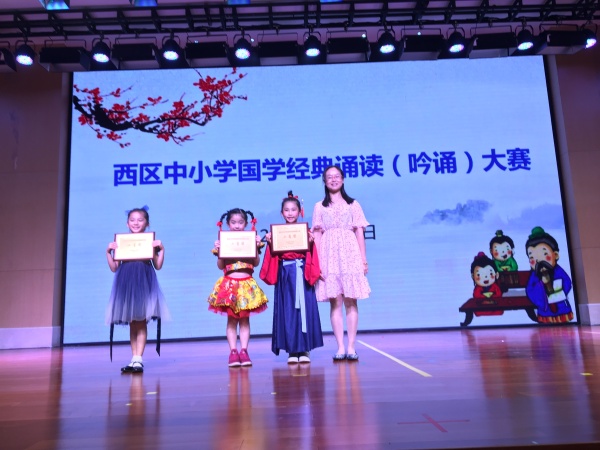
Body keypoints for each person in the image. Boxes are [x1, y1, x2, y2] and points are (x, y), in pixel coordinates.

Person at [311, 166, 371, 361]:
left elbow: (359, 232)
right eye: (329, 177)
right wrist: (317, 263)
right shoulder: (319, 206)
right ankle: (340, 347)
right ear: (324, 181)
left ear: (343, 180)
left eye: (337, 176)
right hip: (329, 255)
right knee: (335, 302)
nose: (333, 180)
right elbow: (317, 235)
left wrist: (363, 259)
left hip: (350, 253)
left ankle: (351, 346)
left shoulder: (353, 204)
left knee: (351, 301)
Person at [260, 191, 324, 364]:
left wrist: (310, 242)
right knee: (288, 311)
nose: (290, 213)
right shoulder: (277, 233)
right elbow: (273, 257)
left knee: (304, 309)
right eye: (286, 210)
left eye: (293, 210)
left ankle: (305, 349)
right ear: (281, 213)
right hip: (285, 275)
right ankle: (292, 350)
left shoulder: (306, 231)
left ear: (299, 211)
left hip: (302, 273)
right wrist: (270, 243)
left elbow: (311, 253)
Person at [106, 206, 170, 374]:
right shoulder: (121, 242)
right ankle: (134, 358)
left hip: (143, 282)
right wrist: (108, 252)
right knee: (132, 323)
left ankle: (138, 359)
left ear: (147, 223)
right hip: (126, 283)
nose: (136, 223)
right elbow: (114, 268)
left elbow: (158, 265)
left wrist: (161, 250)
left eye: (140, 220)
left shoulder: (150, 242)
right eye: (132, 220)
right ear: (127, 223)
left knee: (140, 321)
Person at [208, 208, 268, 367]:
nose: (237, 225)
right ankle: (233, 351)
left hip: (246, 284)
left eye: (240, 222)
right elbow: (220, 265)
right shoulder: (224, 241)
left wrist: (256, 247)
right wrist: (220, 251)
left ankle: (244, 350)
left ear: (246, 224)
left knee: (245, 320)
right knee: (231, 320)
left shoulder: (250, 239)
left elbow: (256, 263)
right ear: (228, 224)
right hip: (230, 285)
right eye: (233, 222)